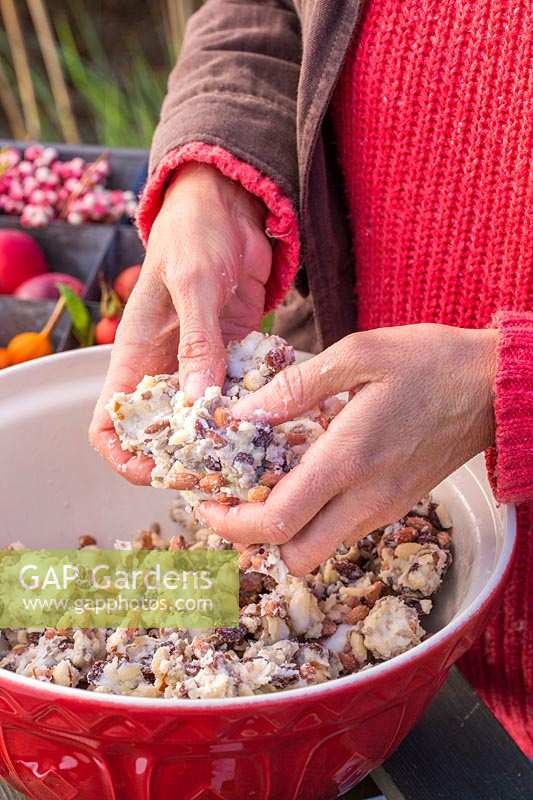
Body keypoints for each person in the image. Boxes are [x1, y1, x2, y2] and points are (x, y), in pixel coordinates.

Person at [89, 1, 532, 755]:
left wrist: (503, 382)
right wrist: (213, 172)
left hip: (496, 699)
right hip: (335, 562)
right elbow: (259, 13)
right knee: (53, 613)